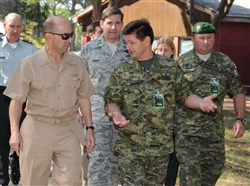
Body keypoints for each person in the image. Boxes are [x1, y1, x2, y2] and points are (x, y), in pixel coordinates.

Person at [3, 16, 95, 185]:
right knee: (33, 180)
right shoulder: (29, 64)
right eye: (65, 36)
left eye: (71, 34)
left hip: (68, 128)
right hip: (37, 128)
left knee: (72, 180)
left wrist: (90, 127)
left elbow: (84, 97)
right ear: (49, 36)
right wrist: (14, 132)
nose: (70, 40)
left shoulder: (77, 63)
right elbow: (16, 102)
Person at [104, 19, 190, 186]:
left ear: (147, 41)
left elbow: (185, 95)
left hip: (159, 149)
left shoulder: (171, 69)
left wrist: (201, 102)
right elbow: (112, 101)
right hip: (130, 147)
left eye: (132, 42)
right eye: (126, 42)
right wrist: (116, 114)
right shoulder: (122, 71)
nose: (128, 47)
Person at [175, 21, 246, 186]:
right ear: (193, 39)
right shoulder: (181, 63)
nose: (206, 42)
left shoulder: (225, 63)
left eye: (209, 37)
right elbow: (176, 95)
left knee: (213, 173)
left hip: (213, 133)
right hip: (187, 134)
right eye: (201, 38)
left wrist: (239, 119)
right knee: (190, 179)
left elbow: (237, 91)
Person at [80, 7, 130, 186]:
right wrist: (80, 114)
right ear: (101, 24)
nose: (114, 27)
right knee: (98, 161)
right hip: (96, 114)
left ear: (122, 24)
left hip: (124, 114)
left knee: (118, 162)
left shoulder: (130, 49)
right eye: (109, 23)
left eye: (118, 23)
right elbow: (80, 84)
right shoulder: (89, 49)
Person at [0, 12, 37, 186]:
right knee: (2, 138)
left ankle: (17, 166)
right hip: (2, 96)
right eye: (11, 26)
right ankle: (2, 178)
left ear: (22, 27)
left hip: (23, 97)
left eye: (18, 26)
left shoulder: (30, 49)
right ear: (4, 25)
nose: (15, 30)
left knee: (22, 134)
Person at [155, 35, 179, 186]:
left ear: (172, 52)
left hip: (173, 123)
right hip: (155, 122)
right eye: (160, 49)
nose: (163, 53)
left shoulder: (178, 70)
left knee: (172, 160)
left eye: (166, 50)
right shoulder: (150, 69)